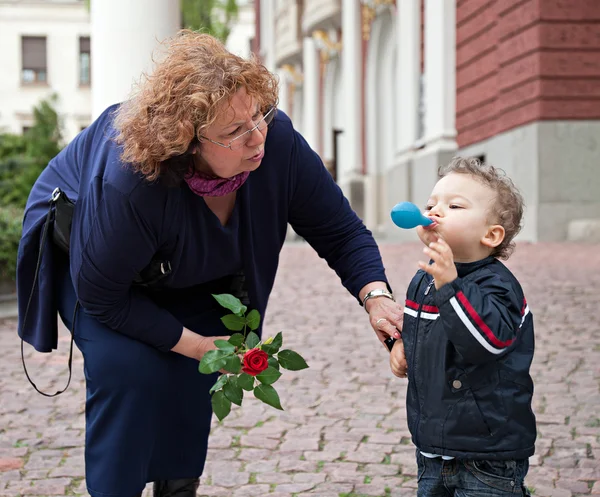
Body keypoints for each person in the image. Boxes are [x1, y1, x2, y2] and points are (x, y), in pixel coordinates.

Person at [16, 31, 405, 497]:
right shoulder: (132, 181)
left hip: (188, 265)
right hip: (98, 268)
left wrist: (376, 297)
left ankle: (177, 488)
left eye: (258, 117)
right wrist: (197, 345)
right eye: (234, 132)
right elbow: (102, 295)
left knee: (194, 369)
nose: (257, 137)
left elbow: (339, 231)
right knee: (129, 371)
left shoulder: (274, 142)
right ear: (189, 143)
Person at [389, 156, 536, 496]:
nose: (435, 210)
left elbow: (486, 345)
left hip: (487, 448)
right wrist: (400, 346)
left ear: (491, 234)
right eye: (430, 203)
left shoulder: (498, 285)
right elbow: (420, 331)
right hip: (433, 442)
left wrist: (450, 286)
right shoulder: (425, 279)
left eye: (454, 206)